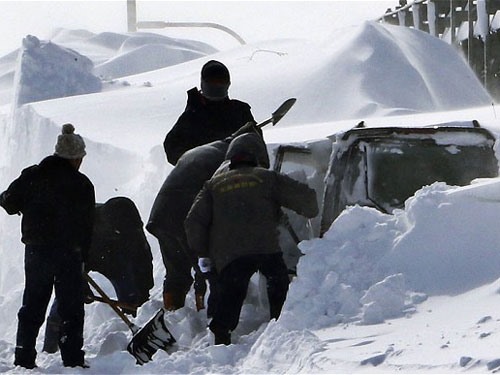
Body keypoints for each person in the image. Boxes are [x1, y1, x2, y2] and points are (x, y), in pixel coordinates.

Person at [184, 133, 319, 345]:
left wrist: (203, 253)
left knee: (230, 295)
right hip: (266, 249)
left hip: (230, 255)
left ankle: (221, 339)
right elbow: (309, 203)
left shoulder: (212, 185)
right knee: (278, 286)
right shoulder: (267, 178)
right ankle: (282, 329)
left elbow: (193, 222)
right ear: (257, 156)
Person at [0, 124, 95, 369]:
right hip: (69, 253)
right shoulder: (82, 184)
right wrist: (84, 257)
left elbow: (8, 202)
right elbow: (87, 227)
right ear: (75, 158)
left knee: (33, 303)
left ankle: (24, 357)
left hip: (37, 251)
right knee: (71, 308)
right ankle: (73, 358)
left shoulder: (32, 175)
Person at [147, 123, 268, 311]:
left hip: (161, 215)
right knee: (209, 269)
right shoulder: (228, 162)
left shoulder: (205, 150)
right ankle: (209, 315)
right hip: (185, 216)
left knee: (176, 271)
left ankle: (172, 312)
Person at [163, 60, 255, 165]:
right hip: (205, 176)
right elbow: (172, 149)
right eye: (212, 82)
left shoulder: (240, 110)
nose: (216, 85)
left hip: (239, 173)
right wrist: (194, 160)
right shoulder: (192, 116)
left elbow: (256, 142)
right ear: (203, 83)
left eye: (220, 81)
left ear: (227, 83)